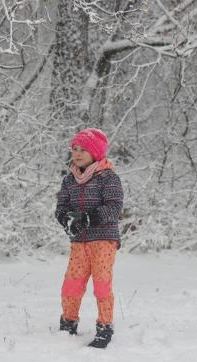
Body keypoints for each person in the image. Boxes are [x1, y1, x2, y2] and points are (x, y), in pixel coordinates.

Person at [55, 128, 124, 349]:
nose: (77, 153)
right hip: (79, 241)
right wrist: (66, 218)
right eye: (74, 149)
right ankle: (68, 323)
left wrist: (87, 218)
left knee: (102, 285)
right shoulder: (69, 180)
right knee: (71, 284)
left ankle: (104, 328)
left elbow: (114, 208)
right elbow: (61, 206)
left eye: (83, 150)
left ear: (95, 152)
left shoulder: (108, 177)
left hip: (103, 240)